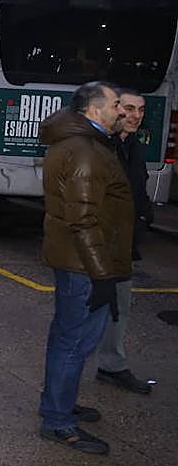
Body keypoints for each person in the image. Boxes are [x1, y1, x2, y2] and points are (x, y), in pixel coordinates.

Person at [38, 81, 134, 455]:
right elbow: (83, 220)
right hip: (84, 264)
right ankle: (59, 422)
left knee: (67, 337)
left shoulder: (82, 143)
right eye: (115, 104)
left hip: (75, 260)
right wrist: (102, 276)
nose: (121, 110)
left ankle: (58, 403)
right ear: (93, 110)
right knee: (75, 342)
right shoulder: (85, 151)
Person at [94, 89, 154, 396]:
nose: (135, 115)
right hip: (99, 244)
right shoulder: (100, 146)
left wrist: (144, 217)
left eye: (141, 110)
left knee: (119, 307)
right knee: (83, 314)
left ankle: (111, 365)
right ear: (114, 109)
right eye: (129, 108)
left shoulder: (132, 145)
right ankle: (62, 394)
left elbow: (137, 189)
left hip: (124, 243)